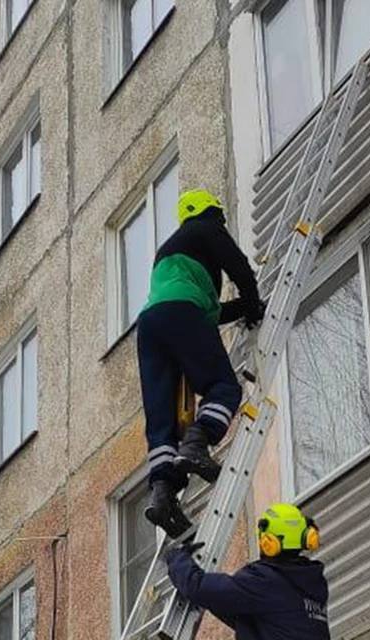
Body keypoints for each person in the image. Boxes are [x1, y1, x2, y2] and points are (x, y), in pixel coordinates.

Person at [138, 189, 264, 538]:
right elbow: (239, 266)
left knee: (162, 420)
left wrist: (243, 310)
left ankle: (162, 494)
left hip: (150, 326)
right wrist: (253, 304)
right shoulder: (205, 227)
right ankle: (198, 443)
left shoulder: (172, 255)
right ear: (211, 210)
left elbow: (207, 312)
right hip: (181, 312)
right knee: (223, 387)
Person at [166, 503, 331, 639]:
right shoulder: (311, 585)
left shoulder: (265, 581)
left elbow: (198, 587)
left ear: (269, 542)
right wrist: (213, 600)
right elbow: (247, 616)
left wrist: (177, 559)